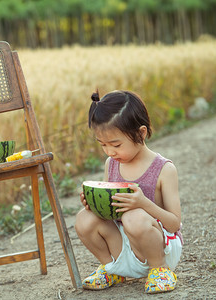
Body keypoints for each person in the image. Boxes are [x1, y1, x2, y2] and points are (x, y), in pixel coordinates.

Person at [75, 90, 183, 294]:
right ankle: (113, 268)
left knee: (134, 217)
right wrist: (94, 205)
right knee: (84, 218)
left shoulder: (164, 169)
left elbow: (174, 223)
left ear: (141, 133)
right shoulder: (111, 164)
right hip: (124, 247)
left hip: (159, 247)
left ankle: (160, 270)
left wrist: (143, 204)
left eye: (116, 144)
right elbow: (110, 213)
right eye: (103, 145)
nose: (109, 152)